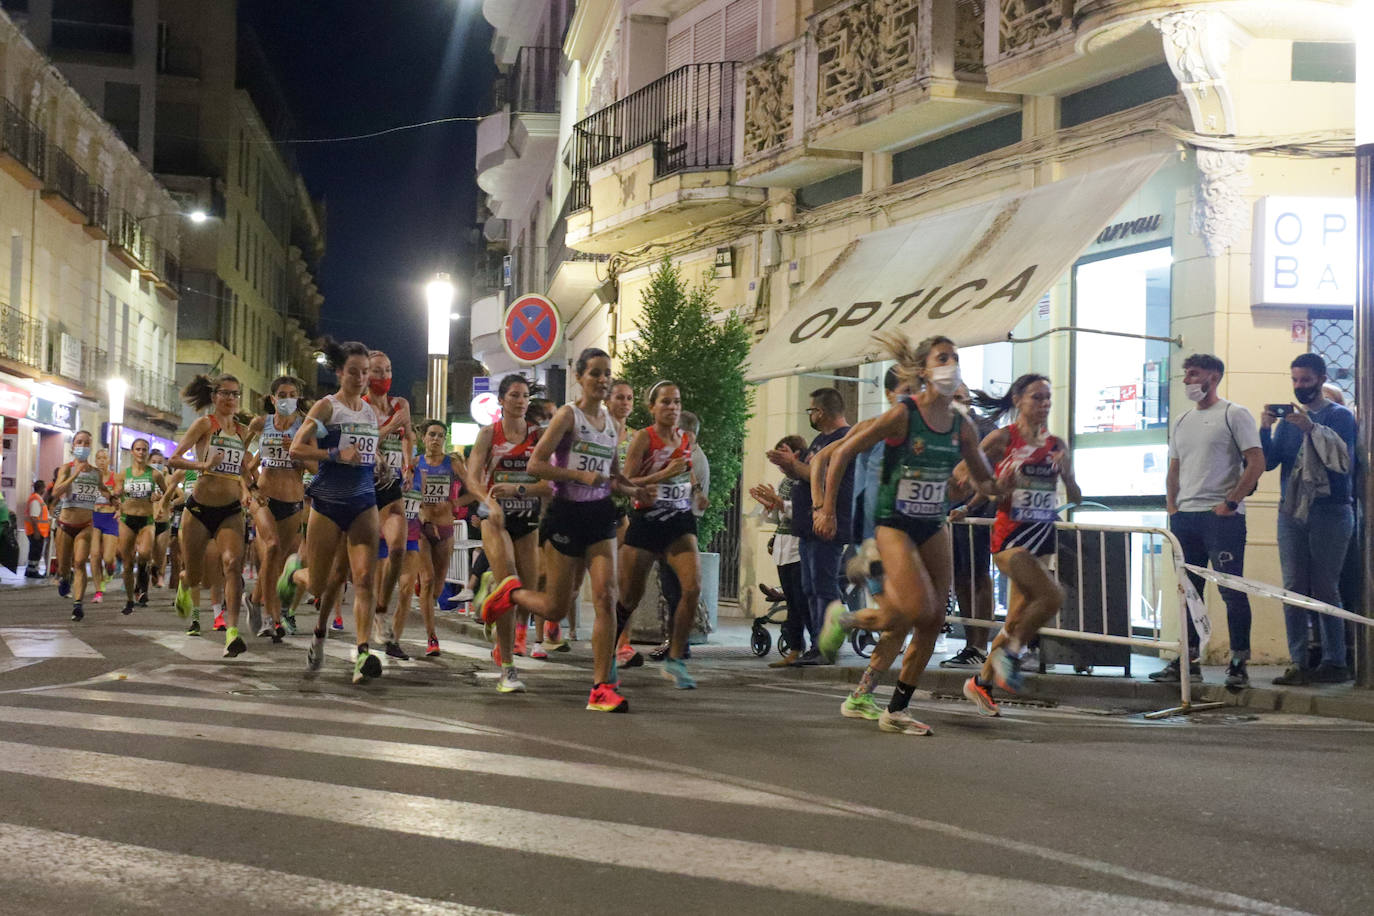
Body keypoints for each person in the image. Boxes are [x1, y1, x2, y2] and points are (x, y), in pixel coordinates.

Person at [814, 336, 996, 735]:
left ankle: (892, 707)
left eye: (957, 358)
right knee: (913, 611)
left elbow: (984, 479)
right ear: (923, 370)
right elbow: (836, 455)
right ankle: (845, 622)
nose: (952, 365)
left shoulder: (961, 426)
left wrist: (993, 487)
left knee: (923, 619)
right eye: (943, 358)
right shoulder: (901, 415)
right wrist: (825, 507)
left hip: (932, 524)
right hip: (888, 526)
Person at [526, 347, 648, 712]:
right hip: (566, 514)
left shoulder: (612, 424)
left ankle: (601, 687)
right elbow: (536, 464)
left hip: (600, 515)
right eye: (594, 373)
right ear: (579, 377)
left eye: (606, 373)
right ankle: (508, 594)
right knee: (554, 607)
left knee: (607, 596)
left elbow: (611, 478)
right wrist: (578, 474)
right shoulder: (568, 415)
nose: (602, 379)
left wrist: (635, 488)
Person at [958, 374, 1082, 717]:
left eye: (1047, 398)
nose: (1043, 404)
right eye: (1036, 398)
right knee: (1052, 596)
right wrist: (987, 492)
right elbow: (968, 474)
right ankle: (1010, 654)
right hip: (1010, 538)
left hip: (1042, 536)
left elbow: (1075, 497)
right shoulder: (1002, 438)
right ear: (1017, 400)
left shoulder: (1056, 445)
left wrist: (1068, 474)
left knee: (1015, 619)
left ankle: (980, 684)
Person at [1147, 354, 1266, 688]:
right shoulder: (1183, 420)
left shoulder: (1234, 414)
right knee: (1188, 591)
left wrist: (1231, 502)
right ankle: (1188, 660)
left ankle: (1239, 661)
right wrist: (1172, 506)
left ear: (1213, 377)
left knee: (1232, 589)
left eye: (1193, 374)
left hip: (1221, 518)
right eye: (1185, 374)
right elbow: (1174, 467)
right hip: (1185, 517)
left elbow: (1256, 461)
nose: (1187, 380)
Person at [288, 339, 389, 683]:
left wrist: (377, 460)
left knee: (362, 579)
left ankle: (363, 653)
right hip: (328, 504)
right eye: (353, 372)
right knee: (319, 585)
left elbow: (364, 449)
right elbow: (296, 448)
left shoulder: (369, 412)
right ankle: (295, 574)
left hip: (363, 502)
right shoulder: (326, 408)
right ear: (339, 372)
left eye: (365, 373)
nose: (361, 378)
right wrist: (333, 456)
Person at [1261, 353, 1357, 685]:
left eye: (1305, 380)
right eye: (1295, 380)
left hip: (1330, 511)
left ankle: (1334, 661)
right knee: (1293, 587)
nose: (1300, 386)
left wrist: (1312, 429)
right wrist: (1264, 429)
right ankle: (1299, 661)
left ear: (1320, 379)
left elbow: (1342, 461)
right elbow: (1271, 462)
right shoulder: (1289, 423)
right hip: (1292, 511)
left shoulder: (1340, 417)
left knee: (1325, 587)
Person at [617, 381, 702, 689]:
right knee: (628, 598)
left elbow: (687, 470)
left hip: (679, 520)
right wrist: (662, 475)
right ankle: (611, 651)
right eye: (665, 402)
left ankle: (675, 659)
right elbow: (626, 480)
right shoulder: (644, 437)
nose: (672, 408)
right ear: (652, 407)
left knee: (692, 589)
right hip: (647, 521)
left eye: (676, 402)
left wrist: (697, 492)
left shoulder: (686, 437)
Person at [468, 374, 551, 688]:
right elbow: (473, 478)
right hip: (496, 519)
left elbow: (551, 485)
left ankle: (490, 589)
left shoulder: (539, 436)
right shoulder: (489, 434)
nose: (520, 400)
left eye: (525, 395)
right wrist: (488, 500)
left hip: (527, 520)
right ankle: (507, 669)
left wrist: (520, 490)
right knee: (510, 584)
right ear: (500, 400)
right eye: (514, 395)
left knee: (524, 593)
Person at [765, 388, 852, 665]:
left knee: (823, 586)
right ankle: (816, 643)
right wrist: (789, 466)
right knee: (810, 587)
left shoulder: (843, 439)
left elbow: (822, 476)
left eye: (811, 410)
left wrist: (794, 465)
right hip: (807, 526)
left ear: (821, 412)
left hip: (826, 524)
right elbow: (806, 474)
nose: (810, 415)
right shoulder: (820, 440)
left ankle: (825, 646)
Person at [168, 374, 253, 652]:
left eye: (235, 394)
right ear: (214, 396)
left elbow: (243, 468)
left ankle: (232, 632)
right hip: (199, 509)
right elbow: (174, 458)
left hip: (230, 510)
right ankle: (184, 582)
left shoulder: (241, 431)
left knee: (232, 564)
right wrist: (204, 465)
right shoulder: (205, 424)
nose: (230, 399)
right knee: (194, 575)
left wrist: (255, 485)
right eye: (225, 393)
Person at [407, 420, 480, 661]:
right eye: (432, 435)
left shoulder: (453, 463)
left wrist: (456, 503)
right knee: (428, 581)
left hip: (446, 529)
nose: (436, 439)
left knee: (437, 588)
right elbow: (404, 491)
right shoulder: (415, 463)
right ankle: (432, 637)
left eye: (440, 435)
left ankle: (425, 589)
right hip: (422, 526)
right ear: (424, 438)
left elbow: (473, 489)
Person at [245, 377, 310, 643]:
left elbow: (317, 468)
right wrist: (248, 487)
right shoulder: (260, 424)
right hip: (264, 499)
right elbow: (240, 456)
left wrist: (297, 454)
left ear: (298, 398)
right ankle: (272, 621)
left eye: (292, 394)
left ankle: (254, 600)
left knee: (278, 563)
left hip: (293, 502)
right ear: (273, 399)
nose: (286, 399)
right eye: (282, 394)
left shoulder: (306, 428)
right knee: (270, 549)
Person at [942, 384, 999, 670]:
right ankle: (970, 643)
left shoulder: (984, 428)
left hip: (977, 515)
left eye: (958, 398)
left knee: (978, 575)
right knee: (961, 576)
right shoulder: (947, 429)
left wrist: (970, 506)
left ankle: (980, 644)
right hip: (953, 515)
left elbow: (990, 476)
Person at [647, 407, 710, 663]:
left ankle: (678, 644)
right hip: (677, 526)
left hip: (678, 528)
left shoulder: (690, 458)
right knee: (673, 589)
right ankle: (675, 642)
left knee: (675, 590)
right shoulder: (690, 455)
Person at [364, 350, 416, 649]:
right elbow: (366, 441)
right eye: (377, 371)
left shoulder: (402, 404)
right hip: (362, 484)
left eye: (388, 370)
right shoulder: (362, 406)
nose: (383, 376)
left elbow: (408, 436)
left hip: (391, 485)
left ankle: (381, 611)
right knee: (351, 568)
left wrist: (408, 465)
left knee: (397, 548)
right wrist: (388, 426)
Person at [750, 436, 808, 666]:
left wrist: (780, 503)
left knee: (799, 601)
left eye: (783, 457)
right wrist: (770, 505)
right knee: (792, 600)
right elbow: (780, 517)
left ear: (796, 454)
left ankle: (802, 648)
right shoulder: (786, 481)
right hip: (784, 547)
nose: (780, 465)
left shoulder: (804, 479)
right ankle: (795, 648)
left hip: (798, 547)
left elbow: (804, 512)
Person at [49, 431, 112, 620]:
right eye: (79, 442)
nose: (83, 446)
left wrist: (113, 498)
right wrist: (74, 475)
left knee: (79, 563)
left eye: (86, 443)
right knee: (64, 566)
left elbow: (103, 489)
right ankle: (64, 577)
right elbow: (56, 491)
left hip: (85, 525)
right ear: (73, 446)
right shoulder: (66, 469)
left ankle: (78, 604)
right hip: (65, 525)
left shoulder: (95, 472)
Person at [113, 438, 167, 614]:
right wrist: (117, 496)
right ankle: (130, 598)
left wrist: (159, 498)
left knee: (144, 553)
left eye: (144, 450)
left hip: (147, 521)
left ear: (147, 452)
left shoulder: (155, 474)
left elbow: (167, 493)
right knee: (128, 564)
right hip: (127, 520)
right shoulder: (123, 474)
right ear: (132, 451)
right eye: (138, 449)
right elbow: (115, 495)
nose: (141, 453)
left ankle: (143, 577)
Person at [90, 448, 120, 603]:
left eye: (104, 458)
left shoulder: (115, 477)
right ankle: (98, 591)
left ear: (109, 461)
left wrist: (120, 509)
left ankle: (110, 568)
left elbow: (119, 498)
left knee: (108, 557)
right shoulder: (90, 477)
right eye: (99, 458)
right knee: (94, 555)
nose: (101, 461)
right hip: (94, 517)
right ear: (95, 460)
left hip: (110, 517)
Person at [24, 480, 50, 578]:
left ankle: (30, 570)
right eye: (44, 487)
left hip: (37, 531)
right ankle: (32, 571)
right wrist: (36, 531)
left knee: (35, 551)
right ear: (41, 488)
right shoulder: (36, 500)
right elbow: (34, 517)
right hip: (36, 532)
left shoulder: (37, 498)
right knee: (35, 552)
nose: (45, 489)